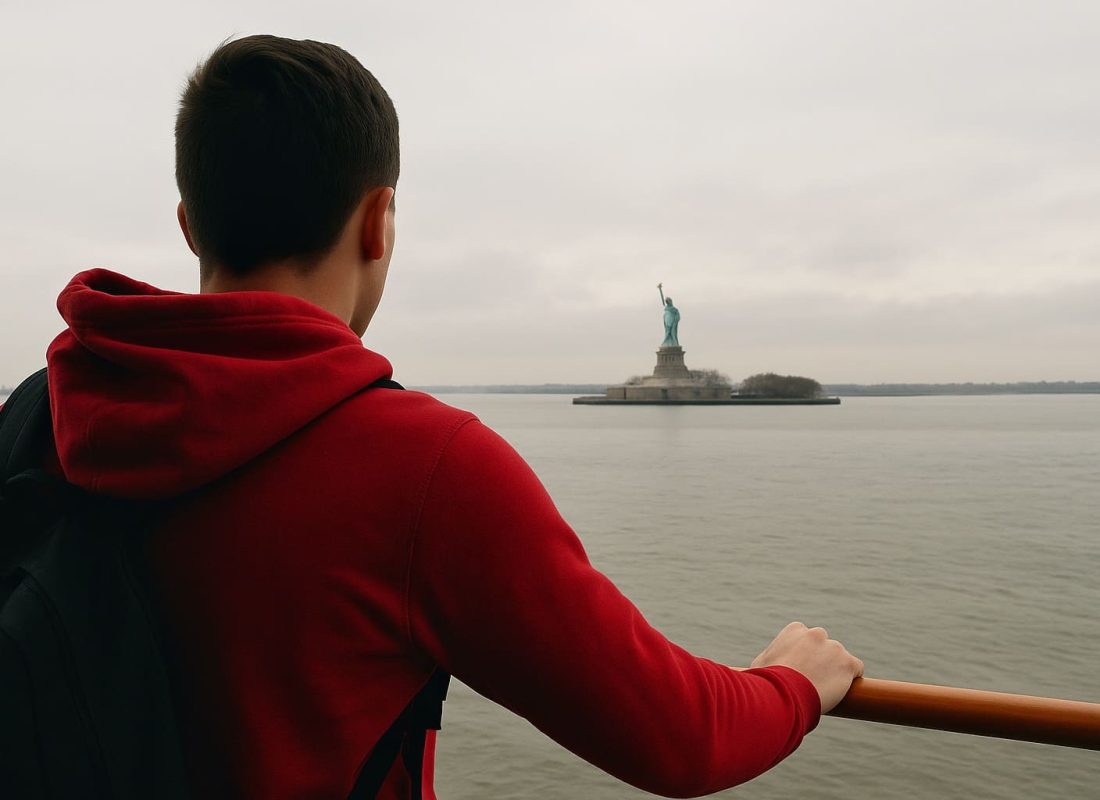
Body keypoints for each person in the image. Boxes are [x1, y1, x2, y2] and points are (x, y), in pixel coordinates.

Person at [41, 35, 862, 799]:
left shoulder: (48, 410)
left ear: (190, 226)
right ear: (378, 221)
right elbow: (683, 737)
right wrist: (793, 683)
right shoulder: (421, 469)